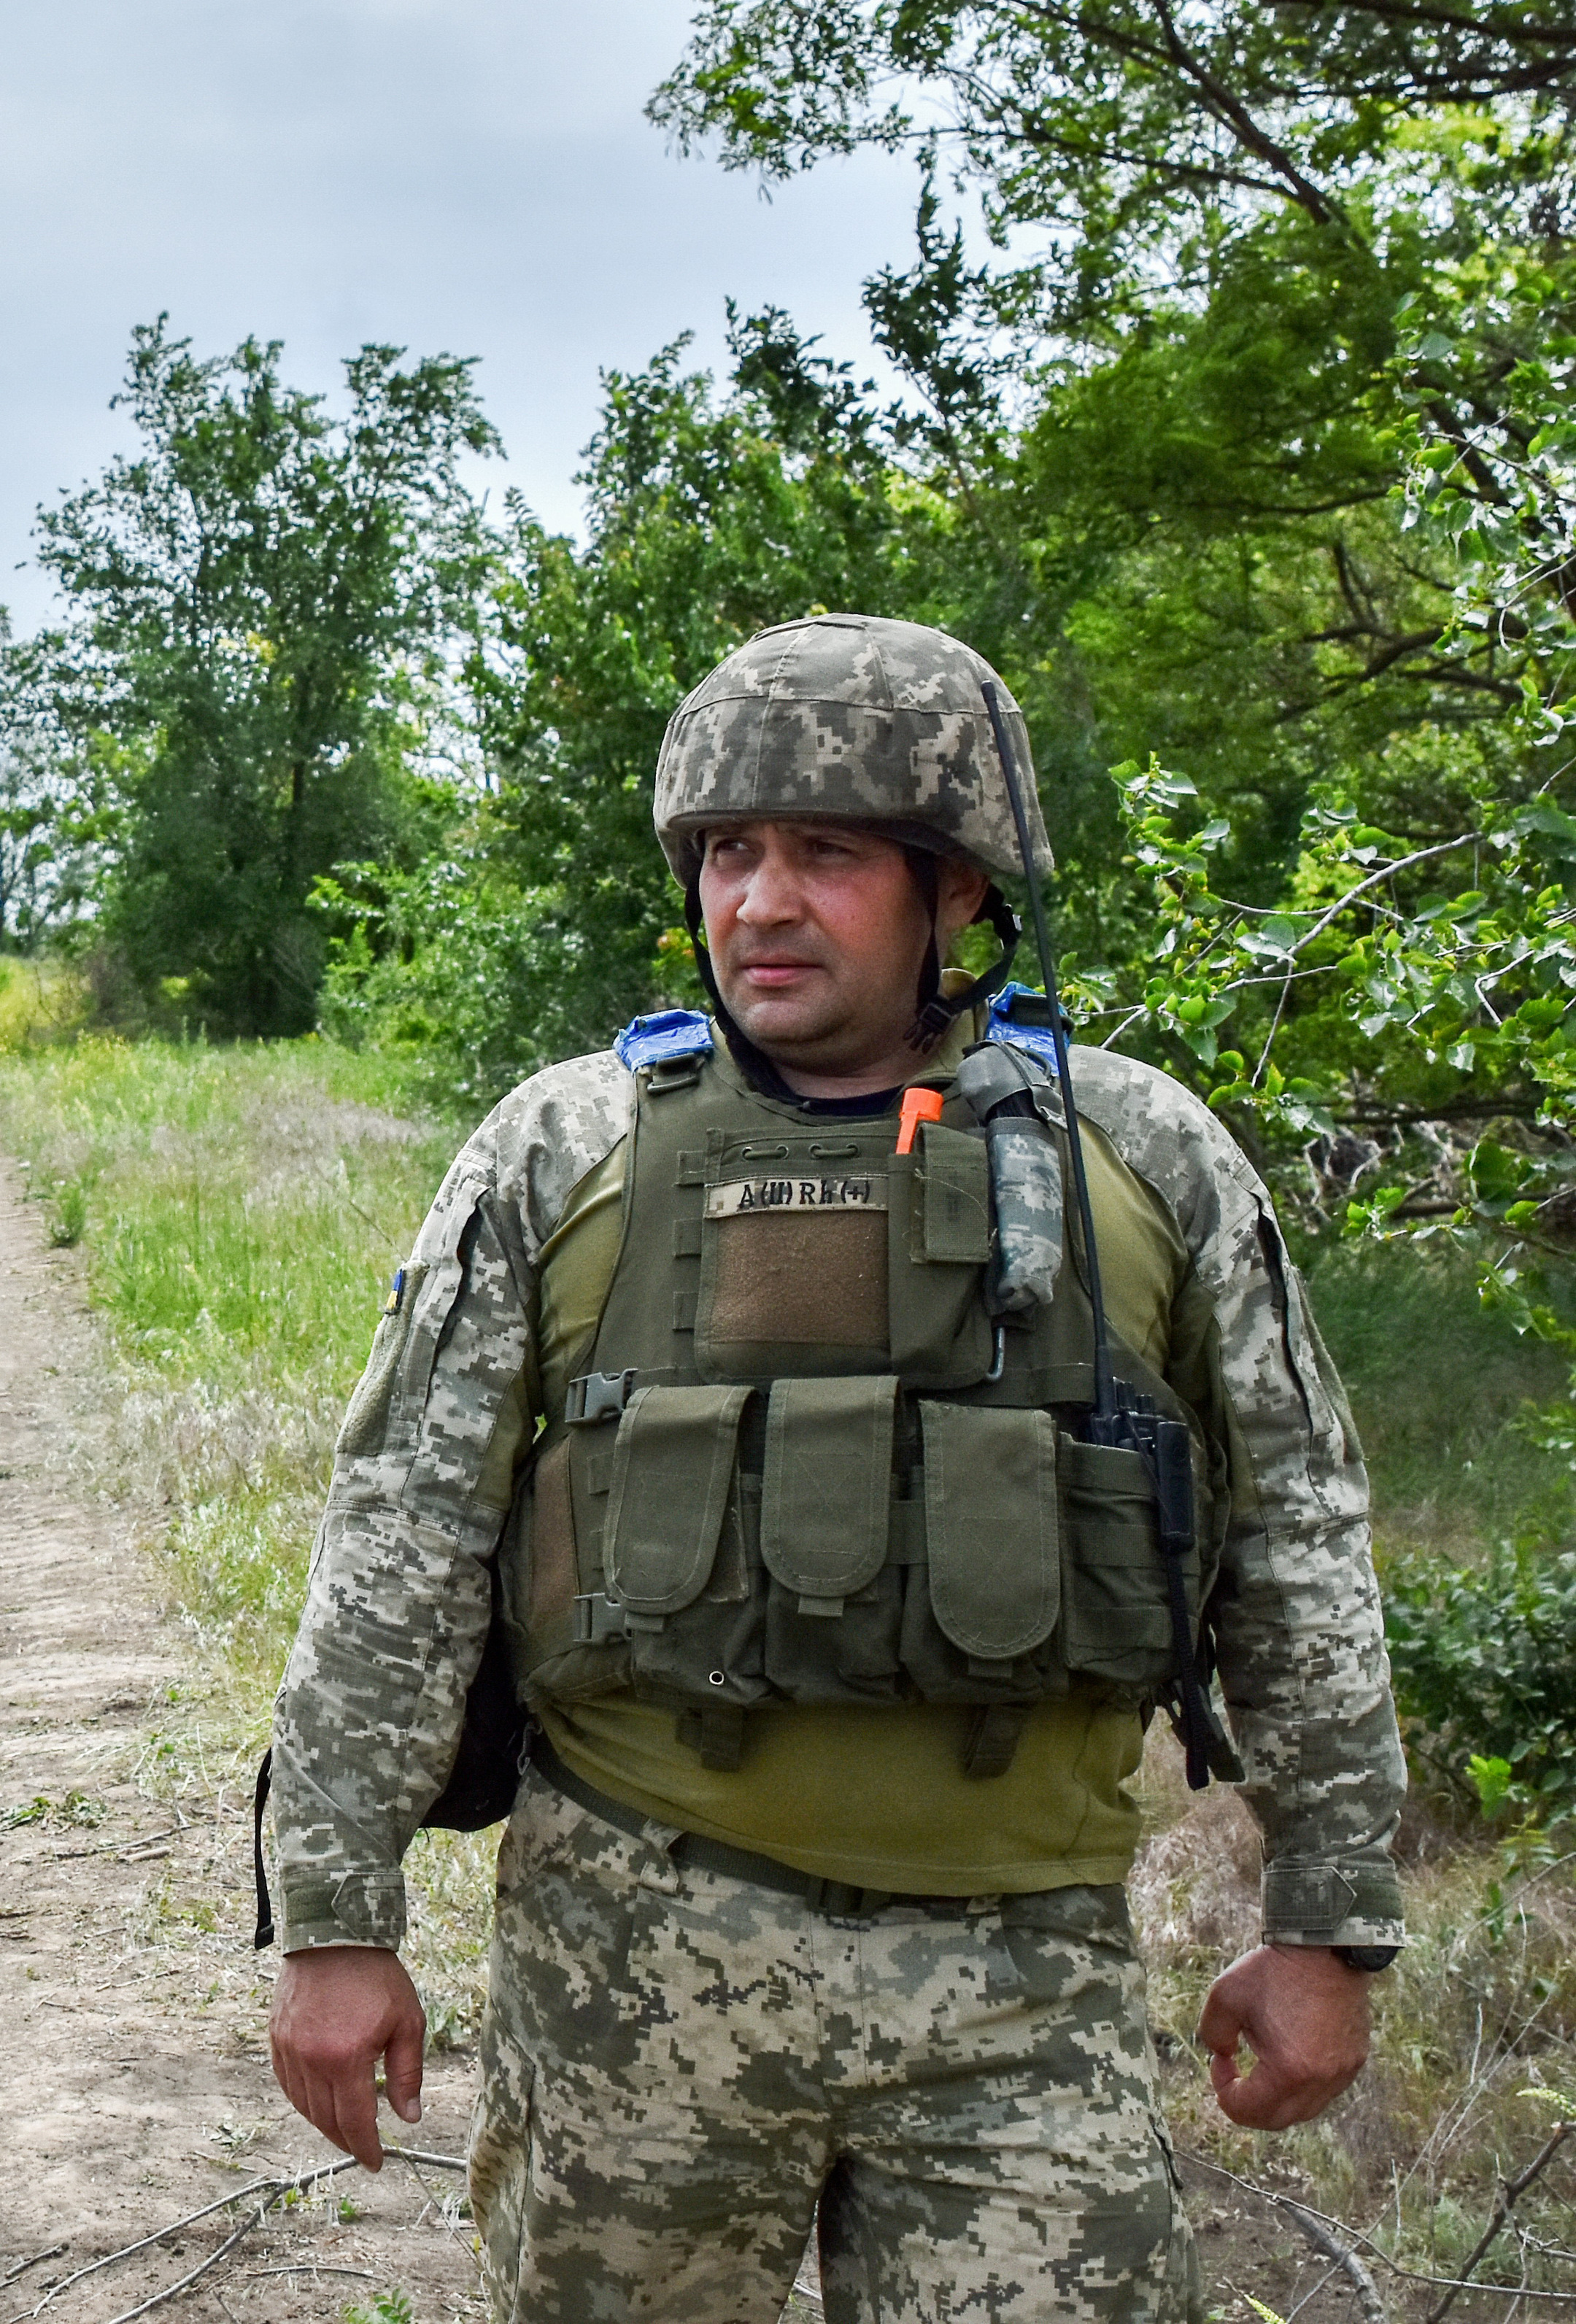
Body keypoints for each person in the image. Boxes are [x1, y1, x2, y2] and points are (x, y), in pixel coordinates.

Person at [264, 614, 1407, 2320]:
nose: (761, 901)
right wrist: (335, 1919)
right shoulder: (560, 1148)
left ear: (956, 891)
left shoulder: (1142, 1156)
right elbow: (403, 1541)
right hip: (633, 1952)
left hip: (1022, 1978)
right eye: (729, 852)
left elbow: (1295, 1542)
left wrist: (1327, 1916)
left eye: (826, 855)